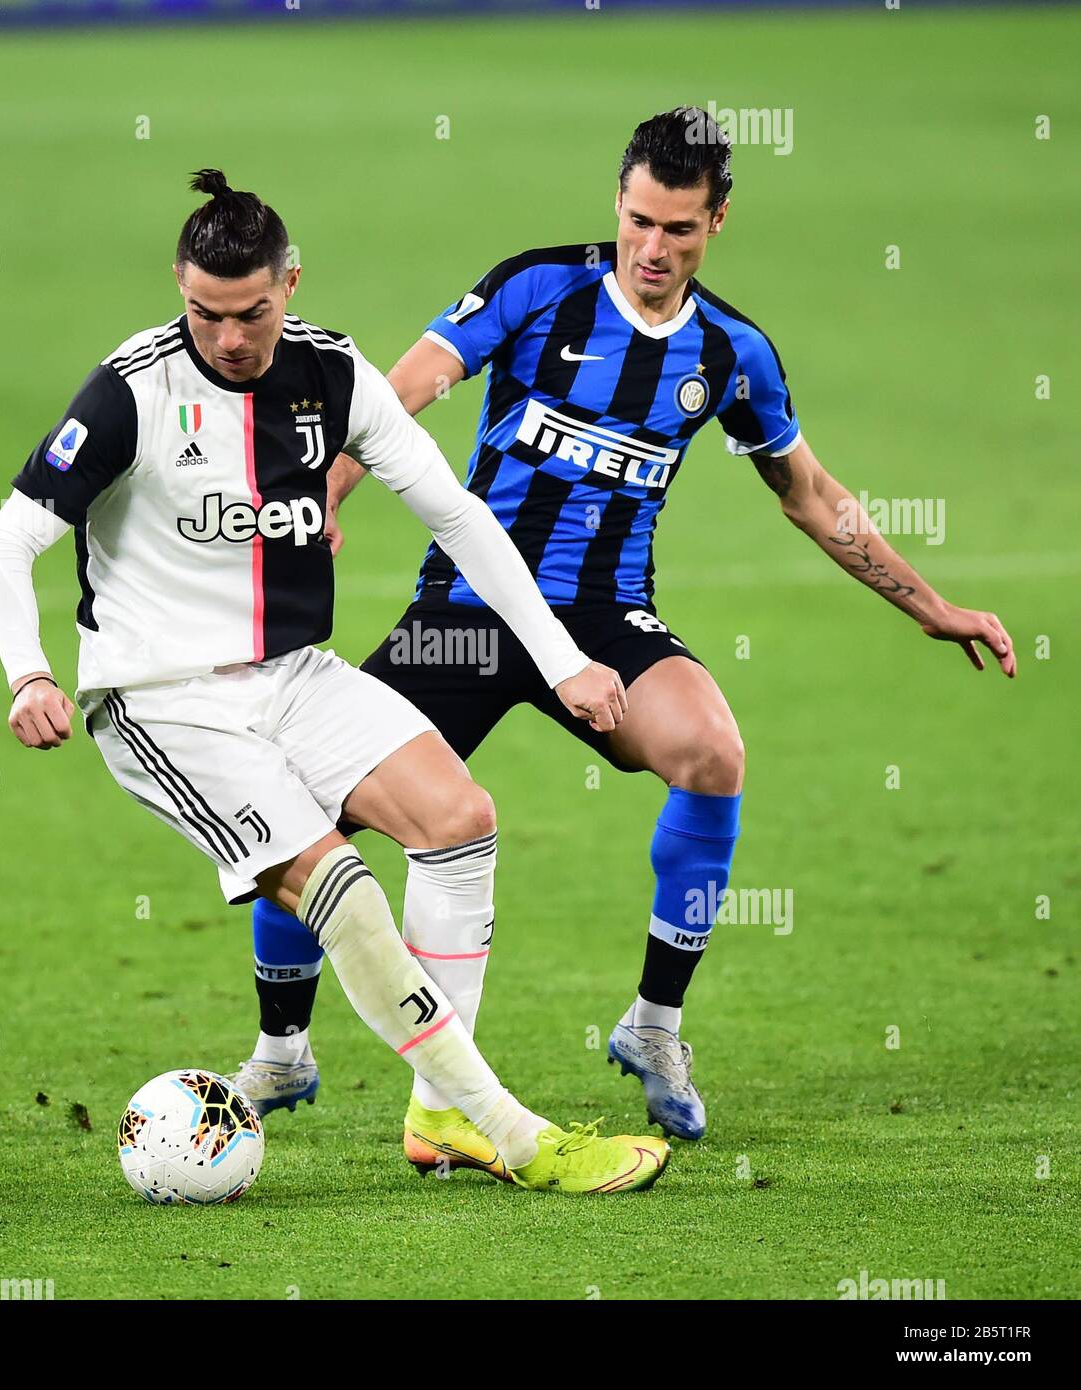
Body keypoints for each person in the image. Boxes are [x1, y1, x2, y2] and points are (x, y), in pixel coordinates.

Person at [240, 109, 1016, 1160]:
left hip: (603, 617)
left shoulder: (728, 353)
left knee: (711, 750)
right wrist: (327, 493)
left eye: (680, 231)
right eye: (640, 222)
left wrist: (930, 604)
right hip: (467, 611)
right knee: (300, 798)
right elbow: (401, 390)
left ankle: (653, 1028)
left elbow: (809, 493)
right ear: (617, 201)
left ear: (717, 221)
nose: (652, 250)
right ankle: (282, 1047)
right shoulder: (536, 288)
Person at [0, 169, 670, 1195]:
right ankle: (512, 1133)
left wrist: (562, 661)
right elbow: (4, 547)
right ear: (180, 290)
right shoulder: (132, 390)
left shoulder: (333, 376)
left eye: (251, 311)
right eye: (204, 313)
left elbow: (458, 515)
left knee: (458, 818)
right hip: (161, 699)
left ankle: (440, 1114)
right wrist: (27, 672)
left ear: (289, 282)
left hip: (293, 675)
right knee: (339, 888)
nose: (228, 338)